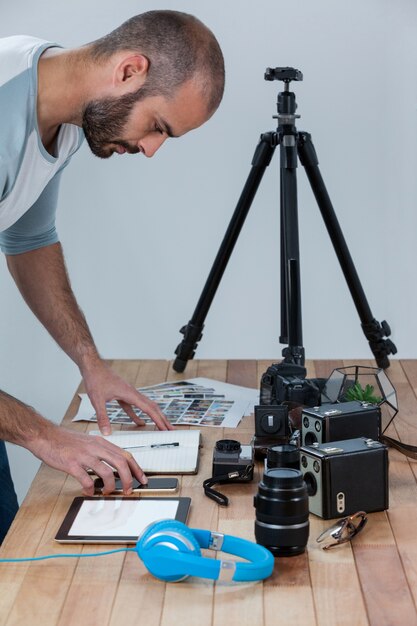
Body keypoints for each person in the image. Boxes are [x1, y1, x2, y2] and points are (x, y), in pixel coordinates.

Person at [0, 10, 225, 542]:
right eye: (157, 127)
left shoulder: (67, 110)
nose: (150, 149)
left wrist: (90, 363)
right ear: (129, 71)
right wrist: (44, 435)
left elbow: (29, 239)